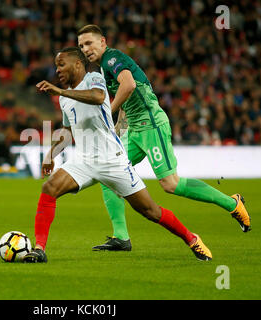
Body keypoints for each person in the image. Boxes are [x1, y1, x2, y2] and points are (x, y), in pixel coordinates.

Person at [23, 47, 212, 263]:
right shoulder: (65, 99)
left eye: (61, 64)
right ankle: (39, 249)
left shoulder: (94, 78)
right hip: (83, 160)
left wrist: (61, 92)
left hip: (112, 159)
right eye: (56, 66)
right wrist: (51, 154)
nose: (57, 70)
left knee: (150, 211)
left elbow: (97, 97)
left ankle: (191, 238)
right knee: (49, 188)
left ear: (77, 64)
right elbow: (67, 131)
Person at [77, 25, 251, 251]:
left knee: (170, 184)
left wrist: (107, 111)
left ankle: (232, 203)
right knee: (108, 174)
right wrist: (119, 125)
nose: (85, 49)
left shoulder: (111, 58)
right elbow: (127, 95)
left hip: (152, 125)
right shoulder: (103, 68)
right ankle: (121, 237)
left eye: (89, 43)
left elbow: (128, 85)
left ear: (103, 41)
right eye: (81, 46)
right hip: (135, 130)